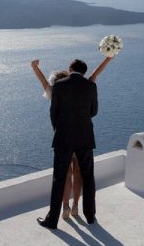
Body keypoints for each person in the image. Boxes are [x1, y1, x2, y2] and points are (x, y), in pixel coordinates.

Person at [31, 57, 111, 220]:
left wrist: (34, 67)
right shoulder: (90, 85)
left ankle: (62, 211)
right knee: (83, 175)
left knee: (62, 177)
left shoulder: (57, 88)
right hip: (84, 138)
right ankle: (84, 212)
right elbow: (93, 111)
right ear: (83, 72)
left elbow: (52, 111)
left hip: (63, 138)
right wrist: (108, 57)